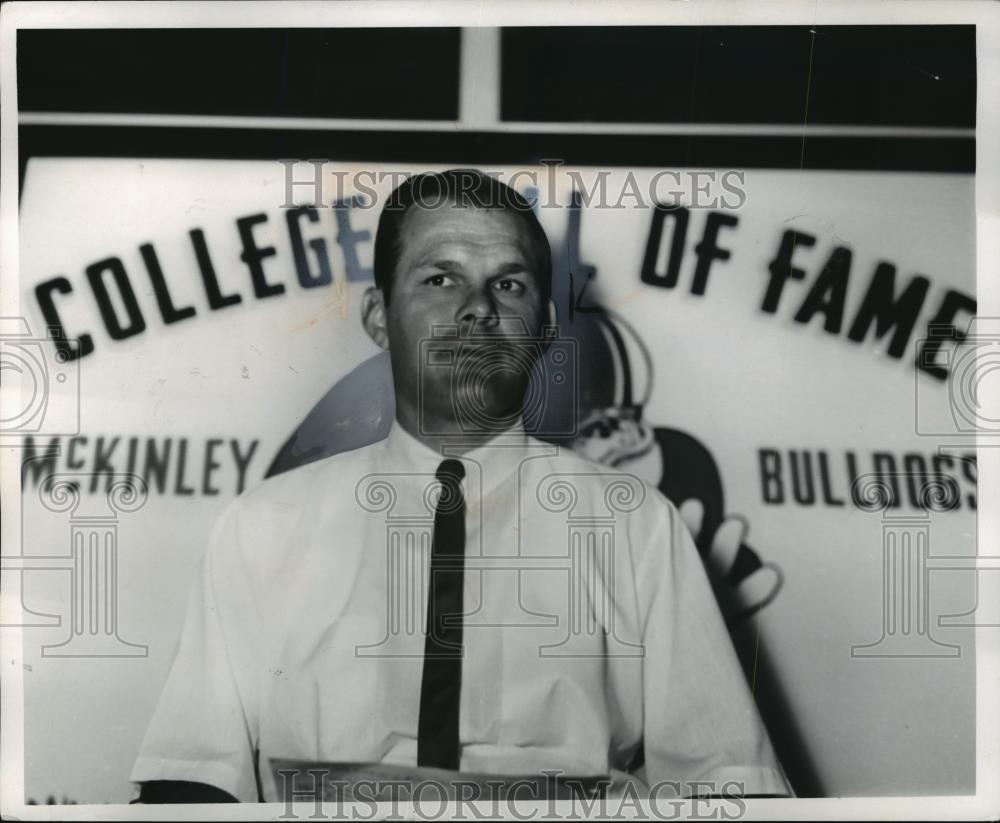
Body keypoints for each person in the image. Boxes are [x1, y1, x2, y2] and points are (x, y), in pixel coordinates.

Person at [130, 169, 791, 803]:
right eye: (440, 277)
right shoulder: (265, 524)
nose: (476, 308)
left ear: (545, 328)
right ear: (378, 316)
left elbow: (728, 781)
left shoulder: (636, 524)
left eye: (508, 284)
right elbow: (191, 775)